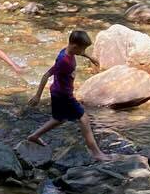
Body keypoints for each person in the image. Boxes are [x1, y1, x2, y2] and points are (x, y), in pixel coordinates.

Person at [26, 30, 109, 162]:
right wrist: (37, 96)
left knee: (59, 119)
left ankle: (34, 136)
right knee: (84, 119)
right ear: (75, 46)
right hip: (64, 95)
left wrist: (89, 57)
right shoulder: (63, 61)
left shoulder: (68, 50)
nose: (83, 51)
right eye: (83, 48)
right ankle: (96, 153)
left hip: (58, 92)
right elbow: (46, 75)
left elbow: (80, 52)